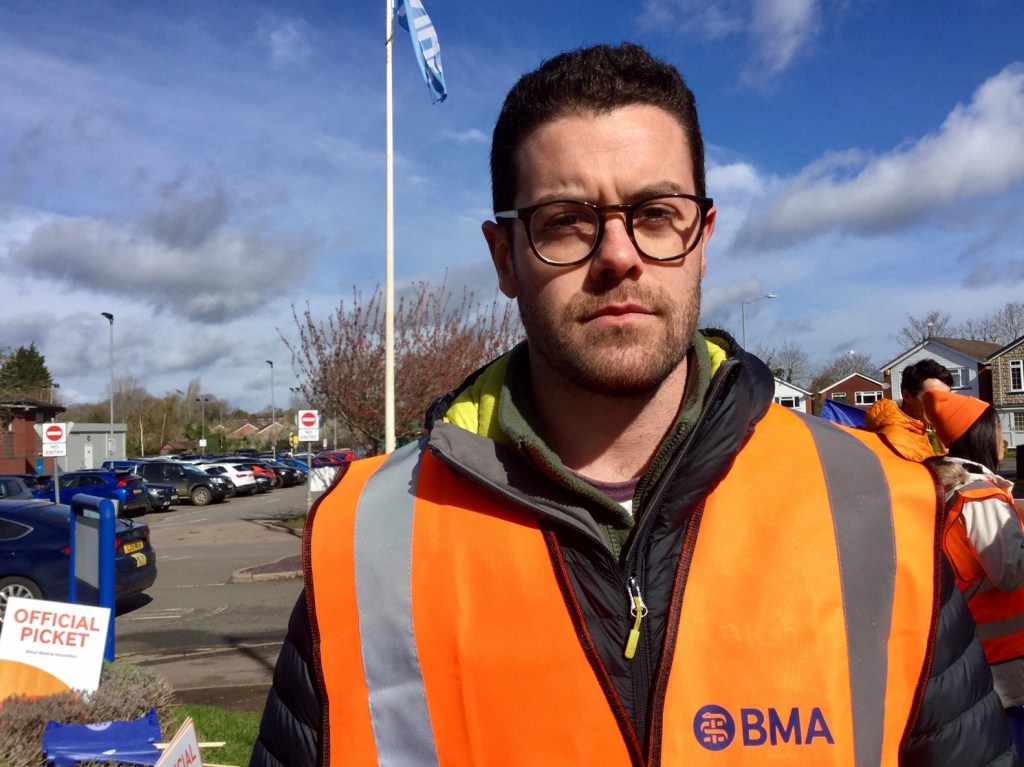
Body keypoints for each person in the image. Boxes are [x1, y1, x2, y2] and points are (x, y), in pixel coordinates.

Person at [250, 44, 1016, 766]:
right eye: (565, 222)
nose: (618, 254)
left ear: (702, 239)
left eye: (656, 214)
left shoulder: (874, 508)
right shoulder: (365, 539)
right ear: (504, 258)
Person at [923, 389, 1024, 753]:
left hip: (973, 653)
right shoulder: (981, 498)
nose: (1004, 438)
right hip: (1005, 665)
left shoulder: (950, 491)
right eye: (998, 428)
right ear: (982, 435)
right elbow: (1010, 573)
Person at [865, 358, 954, 460]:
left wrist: (945, 455)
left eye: (945, 399)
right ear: (907, 396)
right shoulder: (895, 441)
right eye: (932, 398)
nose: (940, 406)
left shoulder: (920, 430)